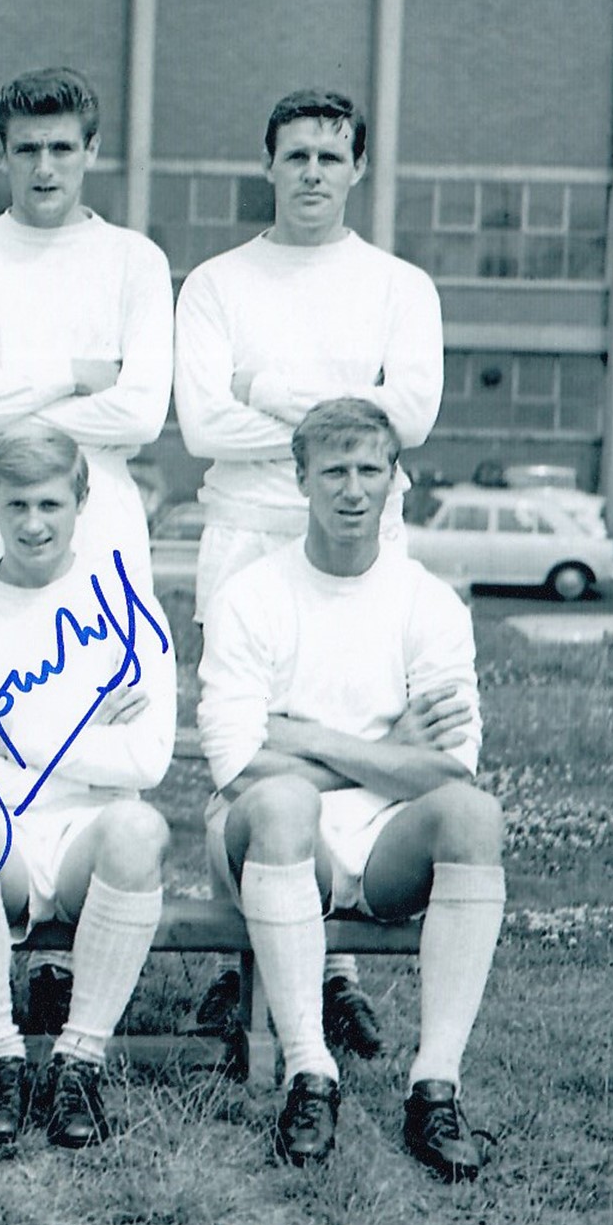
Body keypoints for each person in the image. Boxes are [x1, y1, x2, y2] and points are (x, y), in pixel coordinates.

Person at [173, 89, 443, 1048]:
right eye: (297, 157)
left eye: (332, 158)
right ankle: (229, 960)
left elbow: (405, 420)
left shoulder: (399, 285)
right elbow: (204, 425)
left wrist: (270, 392)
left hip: (367, 544)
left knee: (354, 736)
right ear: (269, 163)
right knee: (250, 752)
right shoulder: (216, 283)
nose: (314, 174)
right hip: (247, 533)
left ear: (358, 168)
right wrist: (345, 409)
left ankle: (335, 969)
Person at [0, 67, 174, 1031]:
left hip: (98, 510)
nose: (44, 166)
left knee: (103, 705)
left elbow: (141, 411)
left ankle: (73, 957)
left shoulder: (134, 263)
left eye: (63, 147)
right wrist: (72, 370)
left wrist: (5, 395)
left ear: (92, 153)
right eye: (26, 148)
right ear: (1, 153)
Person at [199, 399, 505, 1182]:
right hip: (271, 836)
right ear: (300, 478)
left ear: (394, 480)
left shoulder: (427, 601)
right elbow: (237, 766)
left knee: (474, 817)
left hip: (390, 838)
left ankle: (434, 1086)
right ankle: (311, 1070)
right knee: (282, 802)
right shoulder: (252, 595)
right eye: (333, 469)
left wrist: (304, 735)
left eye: (371, 469)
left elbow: (451, 769)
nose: (353, 488)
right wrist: (384, 750)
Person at [0, 428, 175, 1150]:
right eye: (15, 503)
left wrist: (8, 733)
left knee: (139, 830)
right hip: (1, 837)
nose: (33, 522)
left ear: (82, 499)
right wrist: (86, 734)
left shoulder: (125, 608)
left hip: (89, 838)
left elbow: (146, 758)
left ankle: (78, 1063)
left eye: (50, 502)